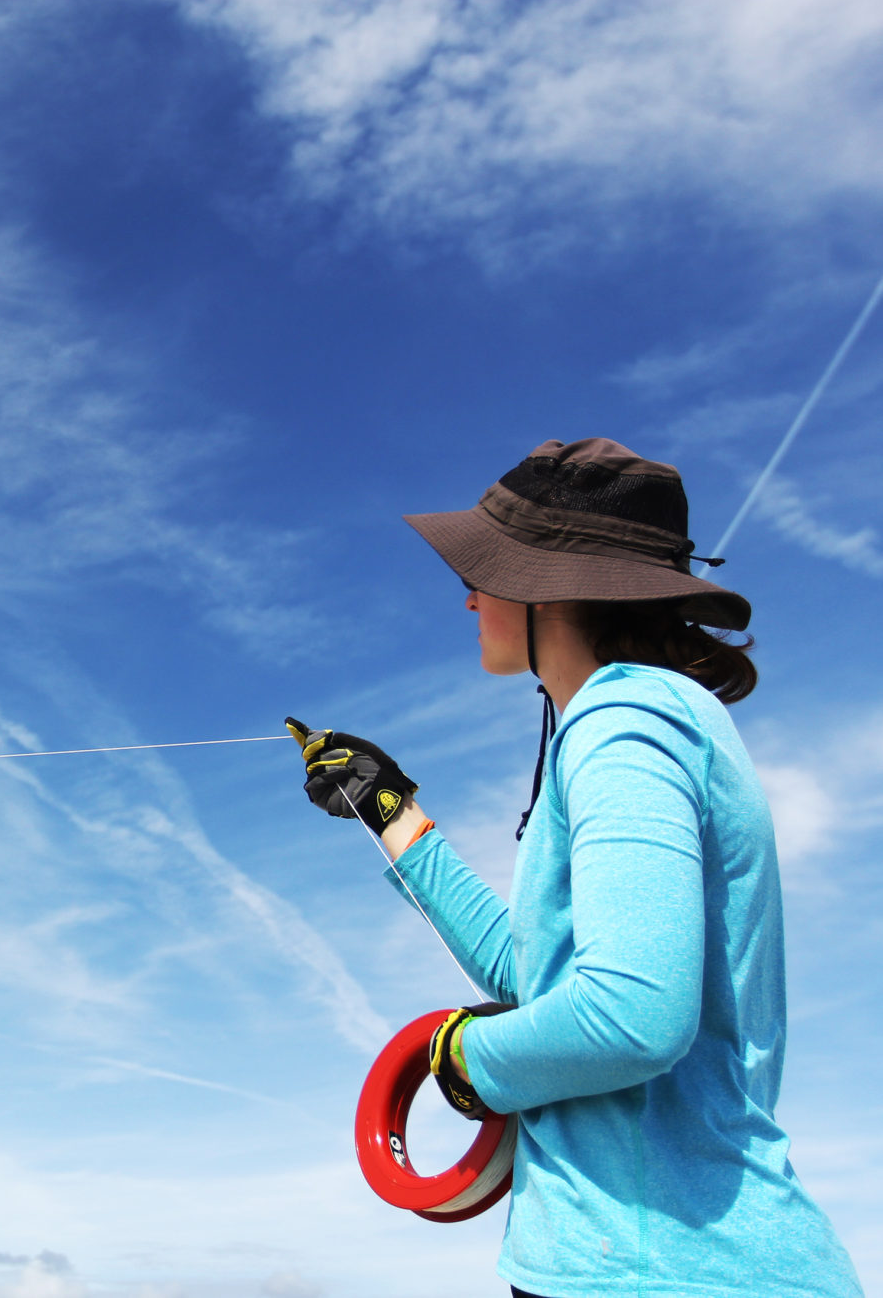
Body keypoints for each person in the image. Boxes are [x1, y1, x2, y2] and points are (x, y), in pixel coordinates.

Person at [290, 439, 861, 1297]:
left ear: (548, 588)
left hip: (664, 1272)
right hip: (635, 1265)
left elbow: (632, 1016)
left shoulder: (625, 721)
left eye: (485, 571)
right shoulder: (628, 721)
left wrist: (464, 1058)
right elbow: (541, 975)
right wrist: (391, 814)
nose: (471, 595)